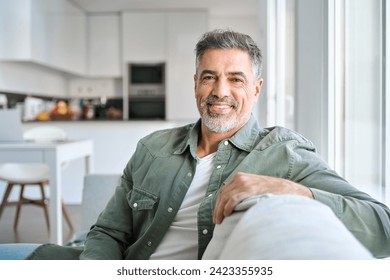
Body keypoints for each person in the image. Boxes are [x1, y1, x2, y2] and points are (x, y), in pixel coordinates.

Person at [29, 29, 390, 260]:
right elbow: (109, 232)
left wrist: (289, 189)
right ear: (196, 84)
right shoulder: (152, 147)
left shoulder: (285, 153)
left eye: (235, 79)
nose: (220, 91)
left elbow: (382, 226)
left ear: (256, 89)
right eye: (209, 77)